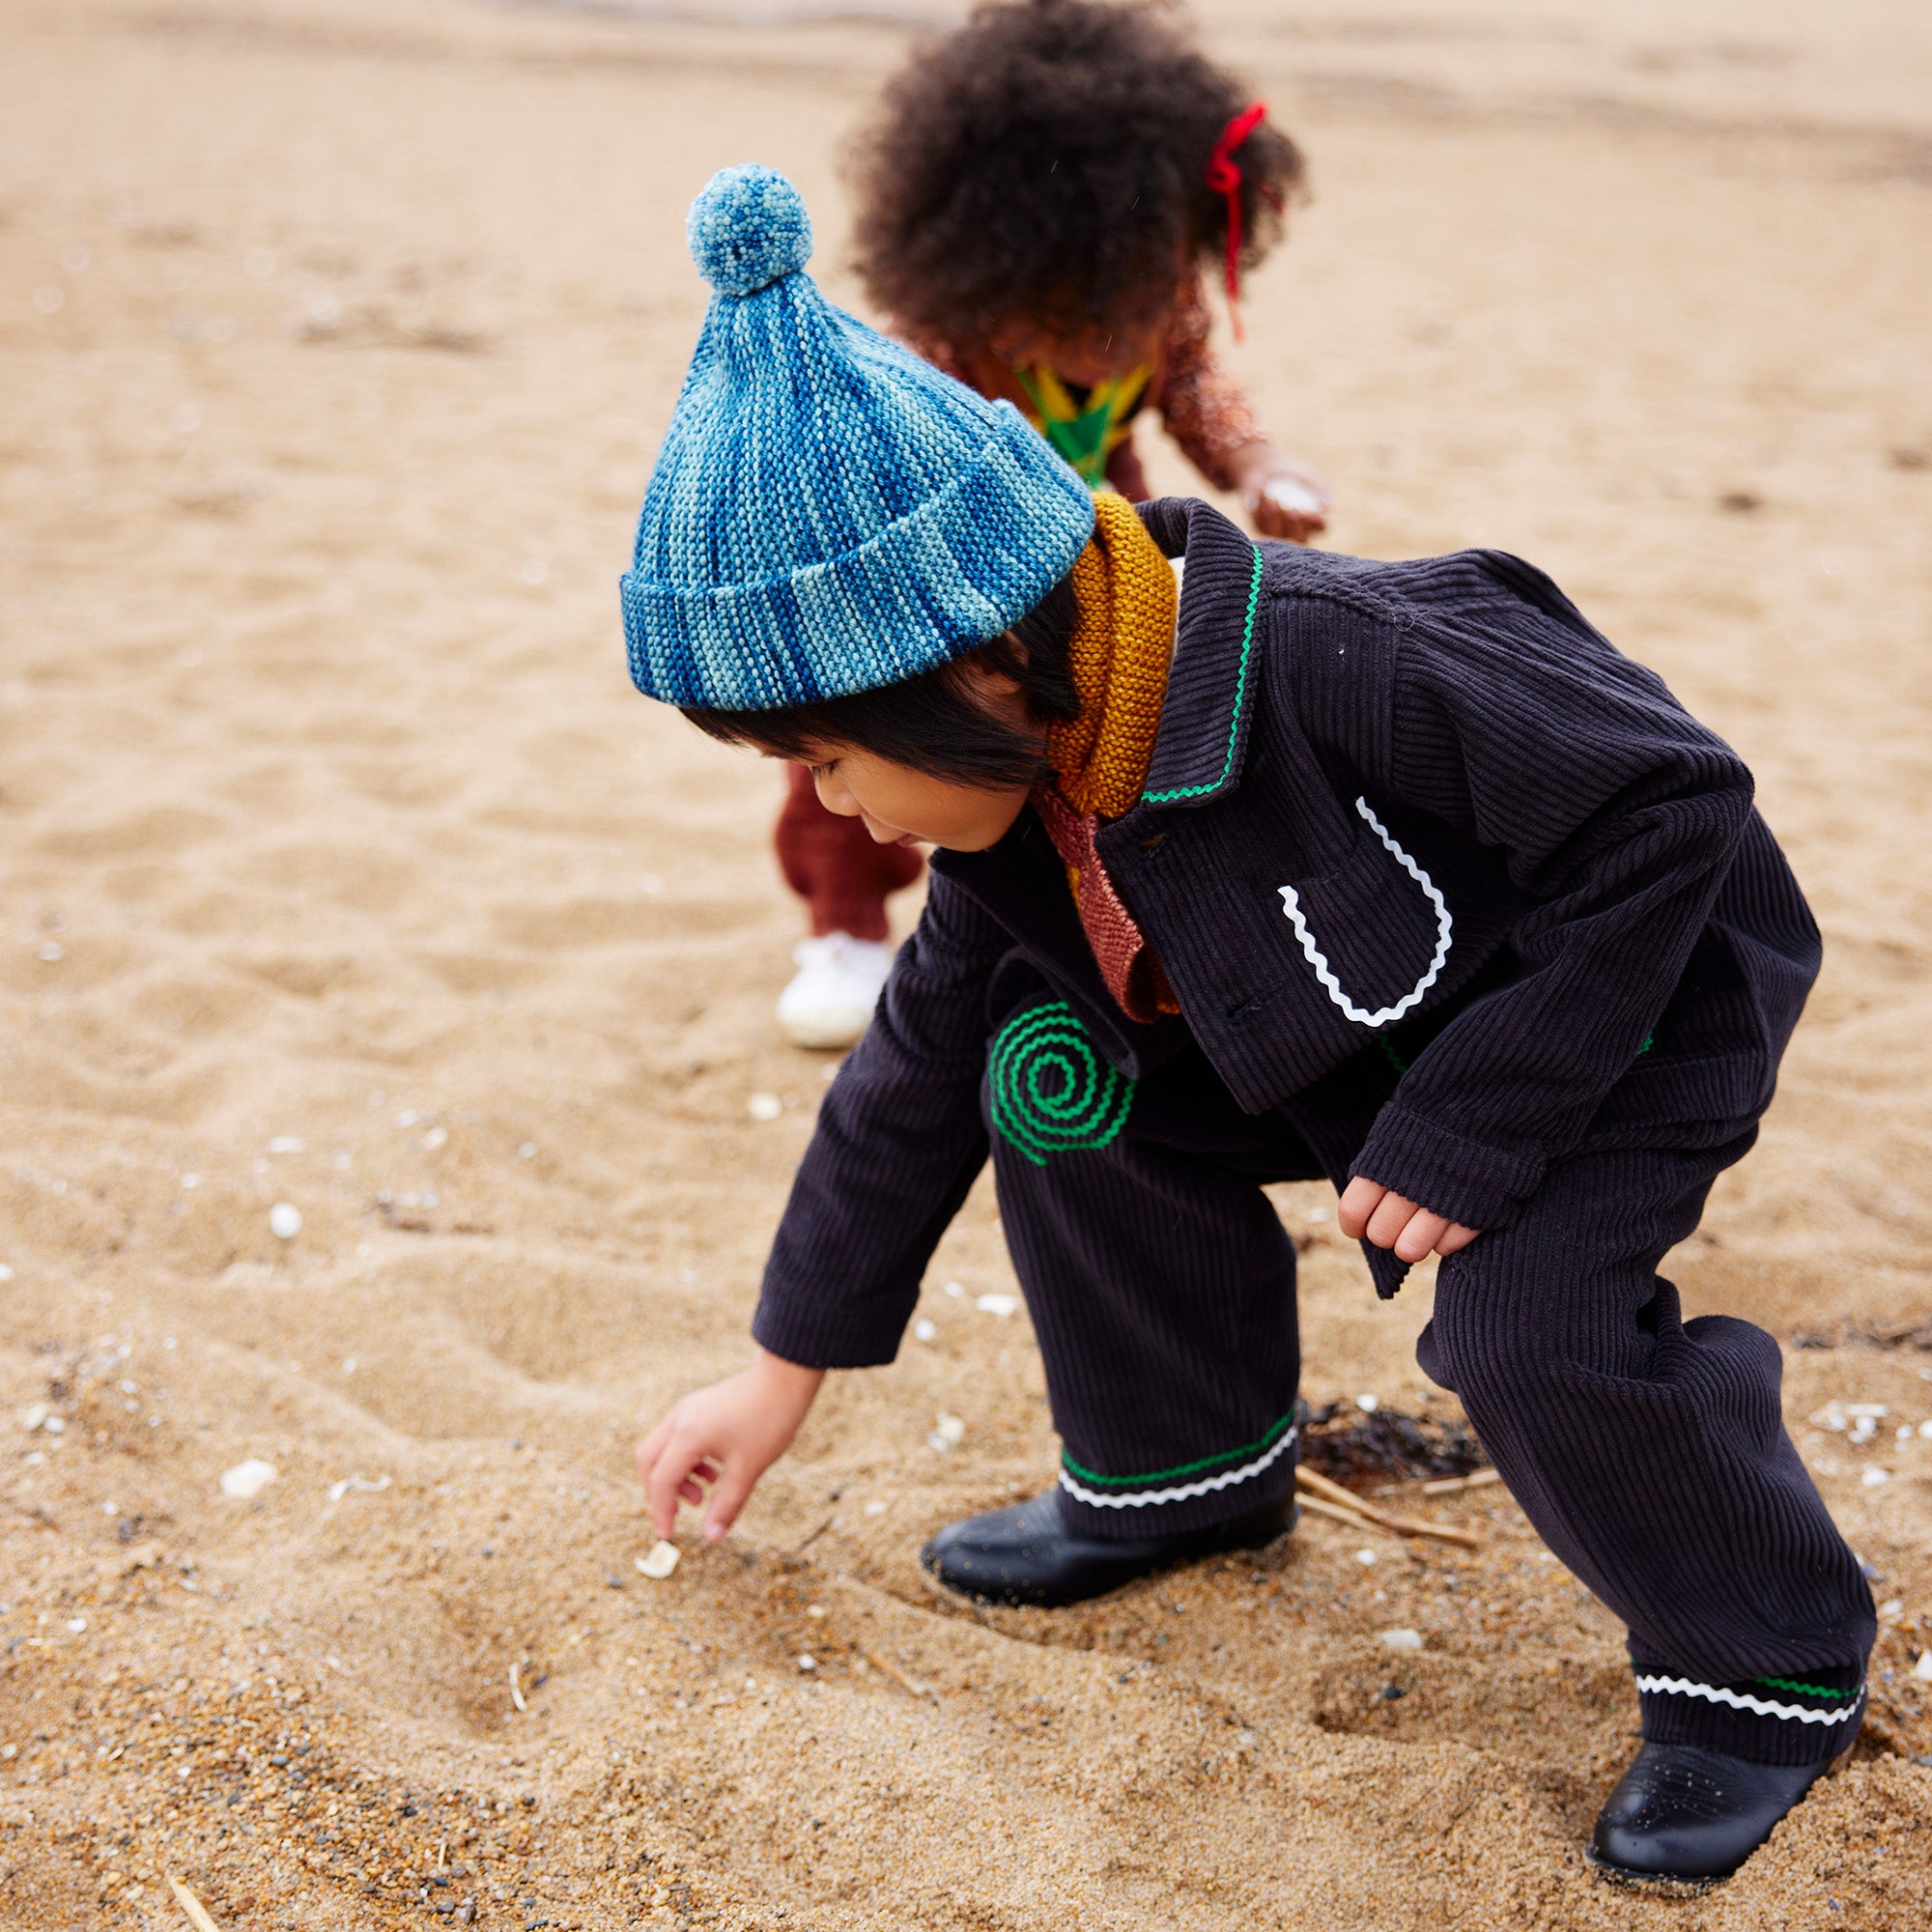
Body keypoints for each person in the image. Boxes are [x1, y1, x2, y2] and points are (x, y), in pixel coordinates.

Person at [623, 166, 1873, 1888]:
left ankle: (1763, 1674)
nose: (833, 801)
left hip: (1614, 1001)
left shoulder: (1346, 655)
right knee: (1039, 1069)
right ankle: (1179, 1471)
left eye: (828, 754)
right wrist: (779, 1372)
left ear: (976, 667)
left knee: (1522, 1330)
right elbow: (903, 1086)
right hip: (1335, 1014)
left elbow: (1672, 807)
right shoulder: (1018, 803)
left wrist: (1480, 1121)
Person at [770, 0, 1328, 1050]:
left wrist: (1258, 463)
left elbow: (1195, 388)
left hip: (1091, 549)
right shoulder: (938, 342)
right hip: (935, 566)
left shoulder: (1158, 295)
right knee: (861, 746)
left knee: (1083, 734)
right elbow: (873, 460)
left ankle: (1075, 908)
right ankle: (843, 926)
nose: (1104, 343)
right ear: (988, 265)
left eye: (1130, 309)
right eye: (1073, 319)